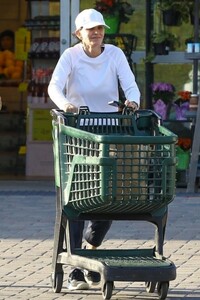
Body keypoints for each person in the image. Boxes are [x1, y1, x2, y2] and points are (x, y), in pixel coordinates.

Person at [48, 8, 140, 291]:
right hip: (78, 133)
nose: (97, 33)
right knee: (77, 198)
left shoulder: (114, 54)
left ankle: (91, 247)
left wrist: (133, 102)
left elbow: (131, 85)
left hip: (110, 131)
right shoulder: (71, 56)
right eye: (91, 29)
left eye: (100, 28)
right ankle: (76, 266)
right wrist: (65, 105)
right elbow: (54, 86)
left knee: (109, 194)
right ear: (79, 34)